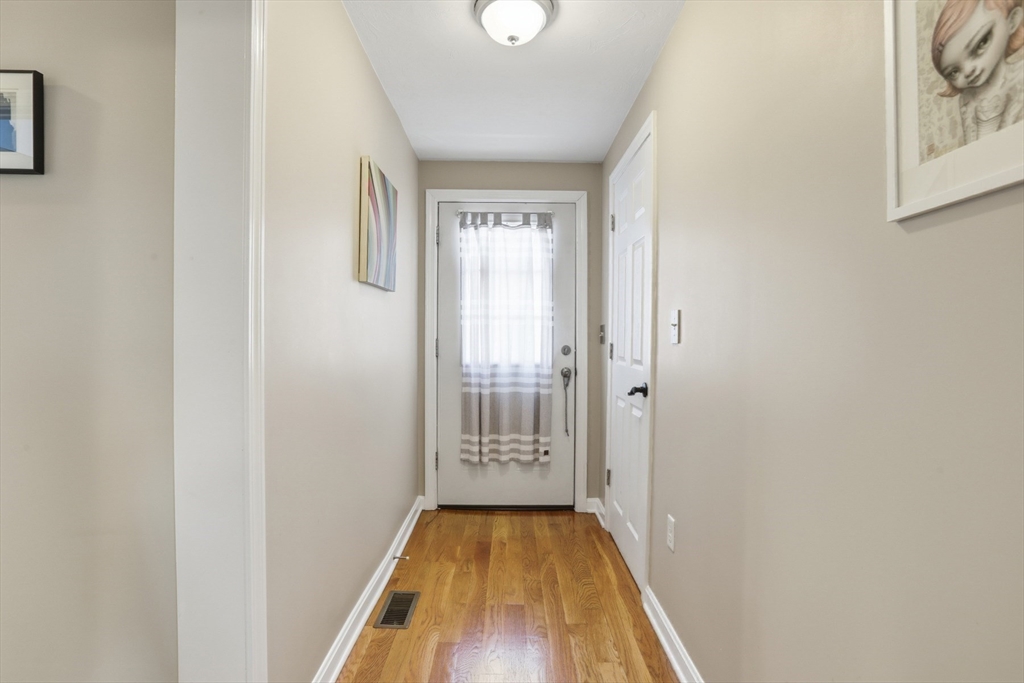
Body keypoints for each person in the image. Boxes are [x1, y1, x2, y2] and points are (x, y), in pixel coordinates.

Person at [931, 0, 1024, 143]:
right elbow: (972, 147)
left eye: (981, 43)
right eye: (954, 72)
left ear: (1012, 21)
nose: (968, 71)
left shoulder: (1020, 75)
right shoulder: (967, 99)